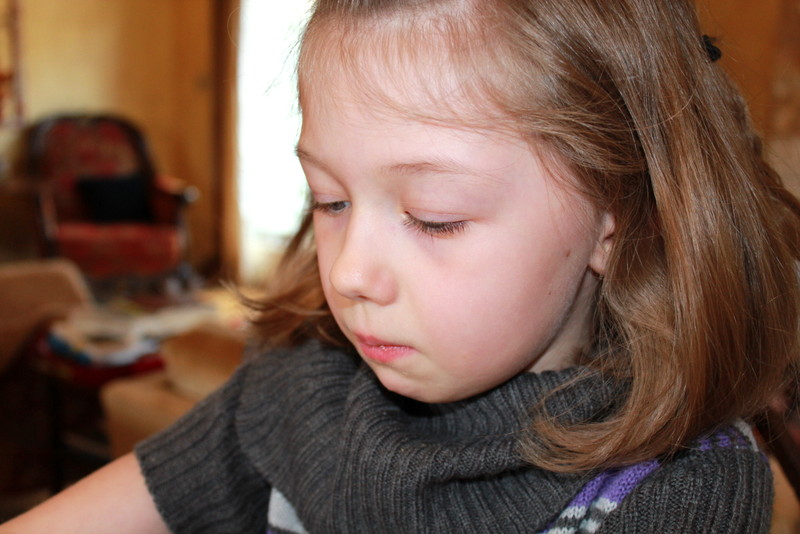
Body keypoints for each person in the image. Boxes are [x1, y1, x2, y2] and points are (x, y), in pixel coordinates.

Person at [4, 0, 800, 532]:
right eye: (330, 199)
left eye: (433, 216)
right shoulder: (298, 384)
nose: (350, 273)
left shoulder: (679, 491)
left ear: (615, 217)